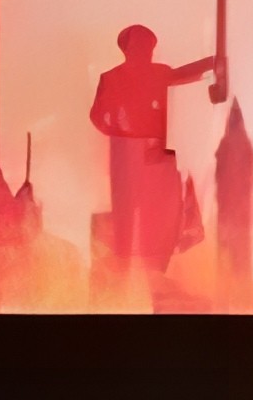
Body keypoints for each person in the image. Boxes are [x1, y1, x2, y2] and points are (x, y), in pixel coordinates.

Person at [87, 25, 220, 278]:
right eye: (142, 45)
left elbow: (184, 74)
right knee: (140, 209)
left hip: (148, 150)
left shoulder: (152, 73)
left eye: (148, 46)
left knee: (162, 205)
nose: (146, 51)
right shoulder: (114, 77)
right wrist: (124, 131)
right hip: (131, 152)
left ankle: (152, 265)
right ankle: (140, 266)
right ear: (128, 49)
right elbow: (98, 117)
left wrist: (214, 61)